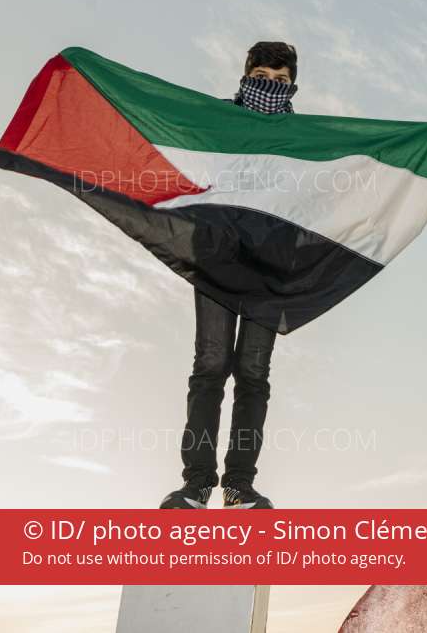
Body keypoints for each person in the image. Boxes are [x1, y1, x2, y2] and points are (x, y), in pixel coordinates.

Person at [158, 41, 301, 509]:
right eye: (261, 77)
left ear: (293, 85)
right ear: (245, 75)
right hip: (218, 254)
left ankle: (239, 485)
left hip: (271, 261)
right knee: (211, 364)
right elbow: (155, 114)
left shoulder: (303, 134)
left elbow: (362, 144)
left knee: (253, 374)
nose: (269, 87)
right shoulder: (216, 117)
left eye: (280, 81)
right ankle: (197, 483)